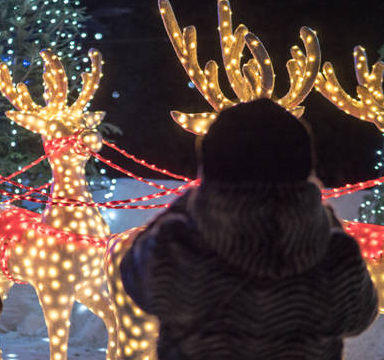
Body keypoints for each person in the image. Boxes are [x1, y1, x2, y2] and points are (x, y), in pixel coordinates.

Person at [120, 98, 378, 360]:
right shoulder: (336, 259)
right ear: (305, 168)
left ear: (210, 167)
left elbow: (132, 276)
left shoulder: (177, 248)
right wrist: (321, 217)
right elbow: (361, 316)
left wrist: (191, 200)